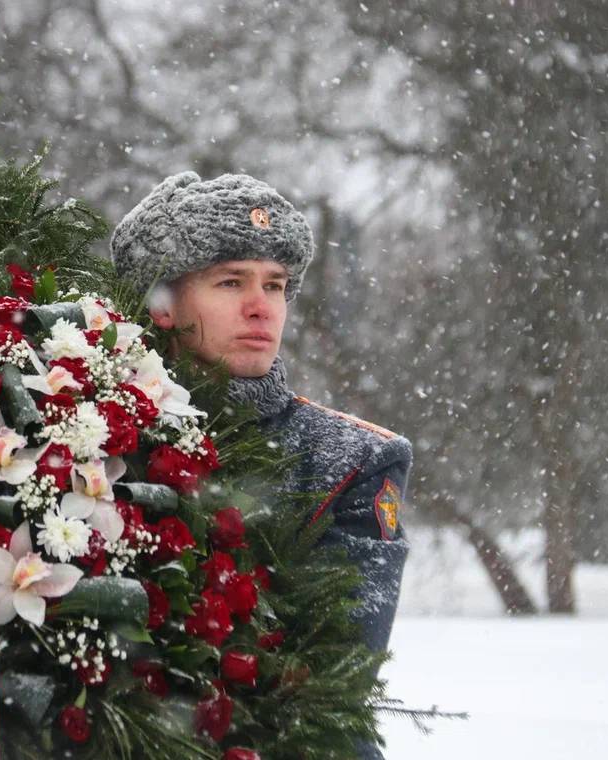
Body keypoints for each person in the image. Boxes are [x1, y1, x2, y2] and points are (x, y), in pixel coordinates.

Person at [111, 171, 410, 759]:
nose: (260, 307)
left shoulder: (354, 459)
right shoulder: (92, 431)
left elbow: (330, 679)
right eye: (230, 281)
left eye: (275, 286)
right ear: (163, 306)